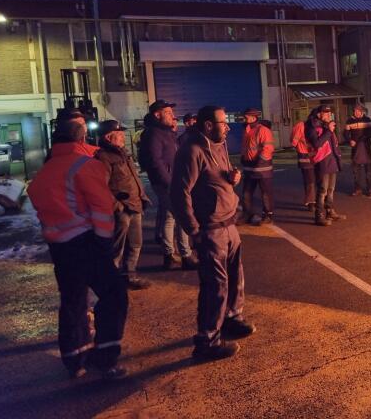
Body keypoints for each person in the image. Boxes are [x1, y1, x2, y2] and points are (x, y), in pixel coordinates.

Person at [27, 109, 128, 380]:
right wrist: (105, 244)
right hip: (87, 242)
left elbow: (41, 204)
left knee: (73, 300)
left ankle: (74, 358)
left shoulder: (45, 172)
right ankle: (105, 357)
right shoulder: (84, 165)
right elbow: (102, 208)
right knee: (115, 295)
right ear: (81, 136)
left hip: (60, 248)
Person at [170, 105, 255, 361]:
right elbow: (179, 193)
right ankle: (206, 341)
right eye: (222, 122)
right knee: (215, 286)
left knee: (234, 276)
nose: (228, 126)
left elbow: (217, 176)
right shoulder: (192, 151)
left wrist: (232, 178)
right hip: (211, 230)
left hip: (229, 224)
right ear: (208, 125)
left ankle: (231, 318)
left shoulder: (219, 145)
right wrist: (193, 230)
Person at [138, 99, 197, 270]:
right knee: (178, 216)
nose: (173, 116)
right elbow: (156, 162)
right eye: (168, 113)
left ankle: (174, 254)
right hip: (168, 184)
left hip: (174, 182)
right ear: (157, 115)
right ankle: (179, 255)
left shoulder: (166, 133)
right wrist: (170, 183)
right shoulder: (154, 134)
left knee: (173, 217)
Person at [95, 120, 152, 291]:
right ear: (108, 137)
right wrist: (117, 207)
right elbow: (100, 187)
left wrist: (142, 197)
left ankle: (129, 275)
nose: (122, 137)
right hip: (121, 210)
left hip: (134, 206)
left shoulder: (123, 154)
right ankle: (110, 280)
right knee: (117, 247)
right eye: (119, 134)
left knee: (135, 243)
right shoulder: (103, 158)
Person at [306, 105, 344, 226]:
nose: (328, 115)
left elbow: (333, 144)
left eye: (329, 113)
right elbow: (317, 144)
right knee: (322, 190)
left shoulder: (326, 126)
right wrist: (329, 131)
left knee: (331, 190)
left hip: (332, 160)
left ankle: (330, 211)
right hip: (321, 161)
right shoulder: (312, 126)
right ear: (318, 114)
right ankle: (319, 216)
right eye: (325, 113)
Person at [239, 107, 275, 225]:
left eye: (246, 116)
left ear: (254, 117)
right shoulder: (247, 130)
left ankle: (268, 215)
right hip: (249, 167)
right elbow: (246, 148)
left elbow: (268, 148)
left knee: (265, 193)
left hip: (262, 168)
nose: (244, 118)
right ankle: (247, 214)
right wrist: (243, 158)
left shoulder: (263, 130)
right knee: (246, 193)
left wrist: (258, 162)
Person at [343, 103, 371, 196]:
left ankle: (370, 189)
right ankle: (358, 189)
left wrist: (365, 136)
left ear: (361, 111)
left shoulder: (367, 120)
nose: (356, 112)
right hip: (355, 148)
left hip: (366, 148)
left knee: (368, 171)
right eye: (354, 111)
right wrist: (350, 140)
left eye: (358, 111)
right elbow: (345, 134)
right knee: (356, 171)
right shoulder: (349, 121)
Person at [290, 118, 316, 212]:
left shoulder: (302, 125)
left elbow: (293, 141)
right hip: (306, 155)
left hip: (314, 155)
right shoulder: (301, 126)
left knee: (312, 180)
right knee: (310, 180)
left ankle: (314, 201)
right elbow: (294, 141)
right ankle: (311, 201)